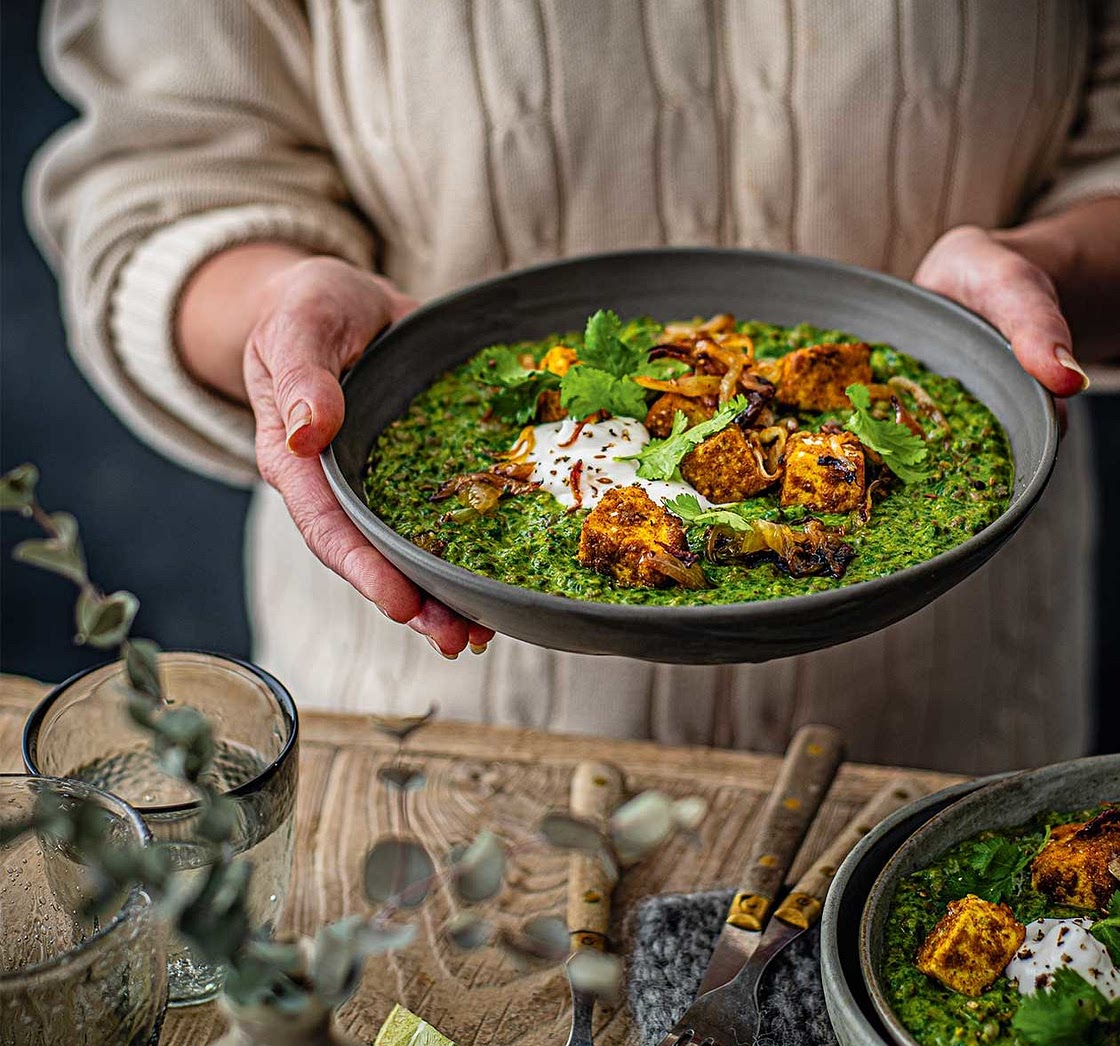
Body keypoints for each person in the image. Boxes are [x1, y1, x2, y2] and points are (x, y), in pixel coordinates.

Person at [29, 1, 1120, 773]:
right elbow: (169, 169)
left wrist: (1051, 271)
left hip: (940, 718)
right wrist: (277, 315)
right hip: (437, 725)